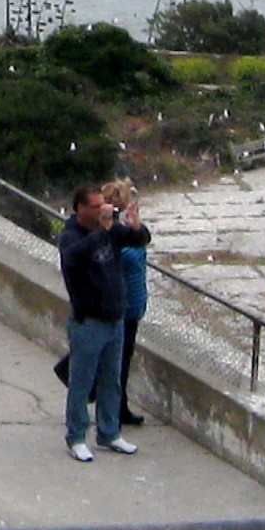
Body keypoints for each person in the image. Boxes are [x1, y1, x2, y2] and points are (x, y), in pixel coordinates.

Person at [56, 182, 151, 461]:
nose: (102, 211)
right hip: (89, 321)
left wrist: (135, 226)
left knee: (112, 379)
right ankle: (76, 436)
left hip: (115, 319)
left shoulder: (110, 231)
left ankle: (109, 432)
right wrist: (104, 230)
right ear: (81, 209)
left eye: (103, 206)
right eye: (96, 207)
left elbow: (139, 241)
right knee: (82, 381)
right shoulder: (71, 236)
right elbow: (75, 257)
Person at [106, 176, 149, 426]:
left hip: (133, 304)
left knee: (123, 359)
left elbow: (144, 238)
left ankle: (119, 407)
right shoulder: (114, 235)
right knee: (117, 361)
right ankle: (114, 410)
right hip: (123, 305)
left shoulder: (128, 231)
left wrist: (136, 226)